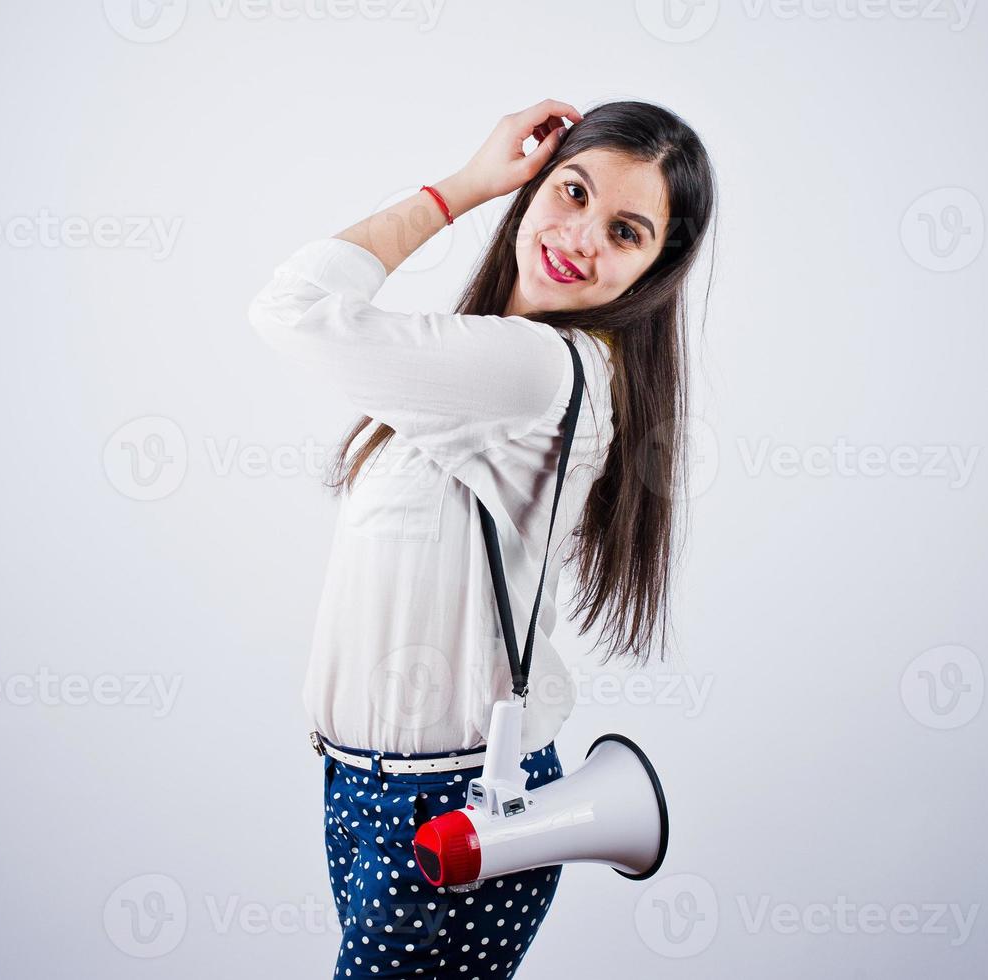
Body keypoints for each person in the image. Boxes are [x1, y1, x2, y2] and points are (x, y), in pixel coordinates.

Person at [247, 97, 717, 978]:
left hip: (443, 798)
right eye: (571, 192)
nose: (580, 237)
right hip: (373, 788)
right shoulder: (505, 354)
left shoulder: (535, 368)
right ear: (536, 183)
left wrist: (460, 187)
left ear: (654, 269)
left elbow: (292, 307)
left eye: (624, 232)